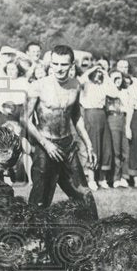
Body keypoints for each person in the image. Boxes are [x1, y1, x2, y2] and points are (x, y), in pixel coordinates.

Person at [22, 45, 97, 213]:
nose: (59, 68)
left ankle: (94, 235)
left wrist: (89, 145)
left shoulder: (75, 85)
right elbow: (24, 118)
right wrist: (46, 144)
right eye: (55, 64)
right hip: (45, 146)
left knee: (85, 195)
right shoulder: (38, 86)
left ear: (71, 65)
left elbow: (76, 116)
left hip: (68, 146)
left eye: (64, 64)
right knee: (40, 201)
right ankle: (31, 237)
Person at [79, 64, 118, 190]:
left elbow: (114, 92)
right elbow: (81, 79)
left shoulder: (103, 85)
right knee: (93, 145)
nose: (98, 75)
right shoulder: (86, 85)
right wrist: (93, 68)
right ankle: (91, 179)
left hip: (102, 114)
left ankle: (102, 179)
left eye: (99, 73)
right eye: (96, 73)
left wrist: (106, 74)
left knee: (105, 146)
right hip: (90, 114)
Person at [106, 70, 131, 187]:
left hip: (124, 119)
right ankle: (115, 177)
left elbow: (129, 107)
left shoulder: (126, 92)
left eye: (119, 78)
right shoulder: (108, 91)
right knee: (115, 150)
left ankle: (124, 177)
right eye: (114, 78)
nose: (117, 80)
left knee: (125, 149)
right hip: (113, 118)